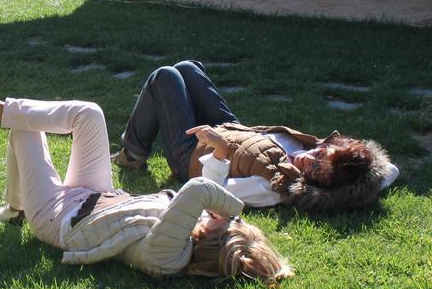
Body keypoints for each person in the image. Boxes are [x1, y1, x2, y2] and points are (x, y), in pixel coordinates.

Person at [0, 61, 292, 283]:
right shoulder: (188, 228)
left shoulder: (169, 257)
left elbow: (198, 192)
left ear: (215, 239)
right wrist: (220, 152)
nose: (224, 217)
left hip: (57, 217)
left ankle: (15, 201)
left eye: (227, 223)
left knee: (26, 128)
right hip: (95, 194)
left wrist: (237, 214)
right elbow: (207, 189)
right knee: (88, 113)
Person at [112, 61, 399, 213]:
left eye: (314, 167)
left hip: (192, 158)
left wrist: (221, 147)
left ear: (319, 184)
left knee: (165, 76)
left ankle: (133, 154)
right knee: (188, 68)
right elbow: (389, 172)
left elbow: (216, 189)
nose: (308, 155)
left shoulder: (274, 186)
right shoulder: (321, 158)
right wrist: (366, 181)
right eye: (320, 153)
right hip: (239, 132)